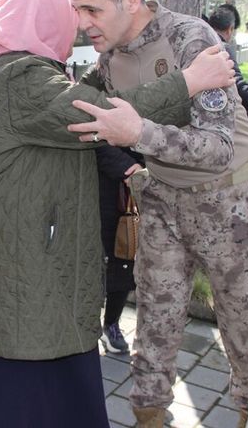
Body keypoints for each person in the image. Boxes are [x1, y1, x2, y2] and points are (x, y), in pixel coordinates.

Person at [0, 0, 235, 428]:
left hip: (10, 261)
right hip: (15, 271)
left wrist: (109, 63)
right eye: (71, 17)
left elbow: (73, 101)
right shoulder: (19, 76)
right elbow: (97, 114)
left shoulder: (11, 68)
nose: (78, 27)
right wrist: (191, 80)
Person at [67, 0, 248, 428]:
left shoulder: (190, 38)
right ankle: (148, 416)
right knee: (154, 322)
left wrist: (138, 134)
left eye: (92, 10)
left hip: (231, 204)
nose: (83, 24)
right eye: (77, 11)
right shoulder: (109, 57)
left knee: (243, 330)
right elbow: (80, 107)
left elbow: (218, 149)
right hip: (165, 200)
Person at [96, 145, 142, 354]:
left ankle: (112, 323)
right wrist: (128, 167)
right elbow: (92, 140)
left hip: (132, 190)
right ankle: (86, 325)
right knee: (92, 261)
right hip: (94, 186)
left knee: (126, 256)